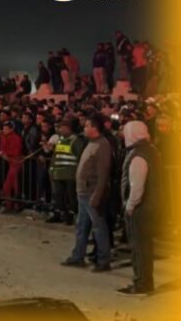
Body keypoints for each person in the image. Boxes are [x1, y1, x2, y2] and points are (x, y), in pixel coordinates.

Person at [62, 114, 113, 272]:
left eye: (87, 126)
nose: (84, 128)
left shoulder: (102, 146)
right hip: (83, 192)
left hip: (91, 193)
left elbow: (103, 174)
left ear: (94, 128)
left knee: (98, 226)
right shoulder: (91, 143)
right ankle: (78, 256)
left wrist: (97, 195)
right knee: (81, 226)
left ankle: (103, 260)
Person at [118, 121, 160, 296]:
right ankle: (145, 280)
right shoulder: (151, 150)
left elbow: (137, 186)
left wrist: (130, 206)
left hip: (140, 208)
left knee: (139, 247)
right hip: (150, 206)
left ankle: (142, 283)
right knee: (145, 246)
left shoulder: (138, 156)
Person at [46, 119, 85, 224]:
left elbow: (80, 157)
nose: (59, 130)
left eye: (61, 127)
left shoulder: (76, 140)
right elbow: (56, 155)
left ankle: (71, 216)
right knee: (58, 195)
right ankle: (60, 213)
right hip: (58, 173)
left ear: (68, 128)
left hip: (70, 173)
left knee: (71, 196)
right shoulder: (60, 139)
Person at [0, 121, 23, 212]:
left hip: (15, 163)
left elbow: (16, 151)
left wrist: (5, 154)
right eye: (4, 129)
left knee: (11, 185)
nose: (4, 131)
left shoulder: (16, 138)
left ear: (11, 129)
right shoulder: (4, 137)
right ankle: (12, 205)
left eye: (6, 129)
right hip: (11, 162)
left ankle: (13, 205)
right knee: (12, 185)